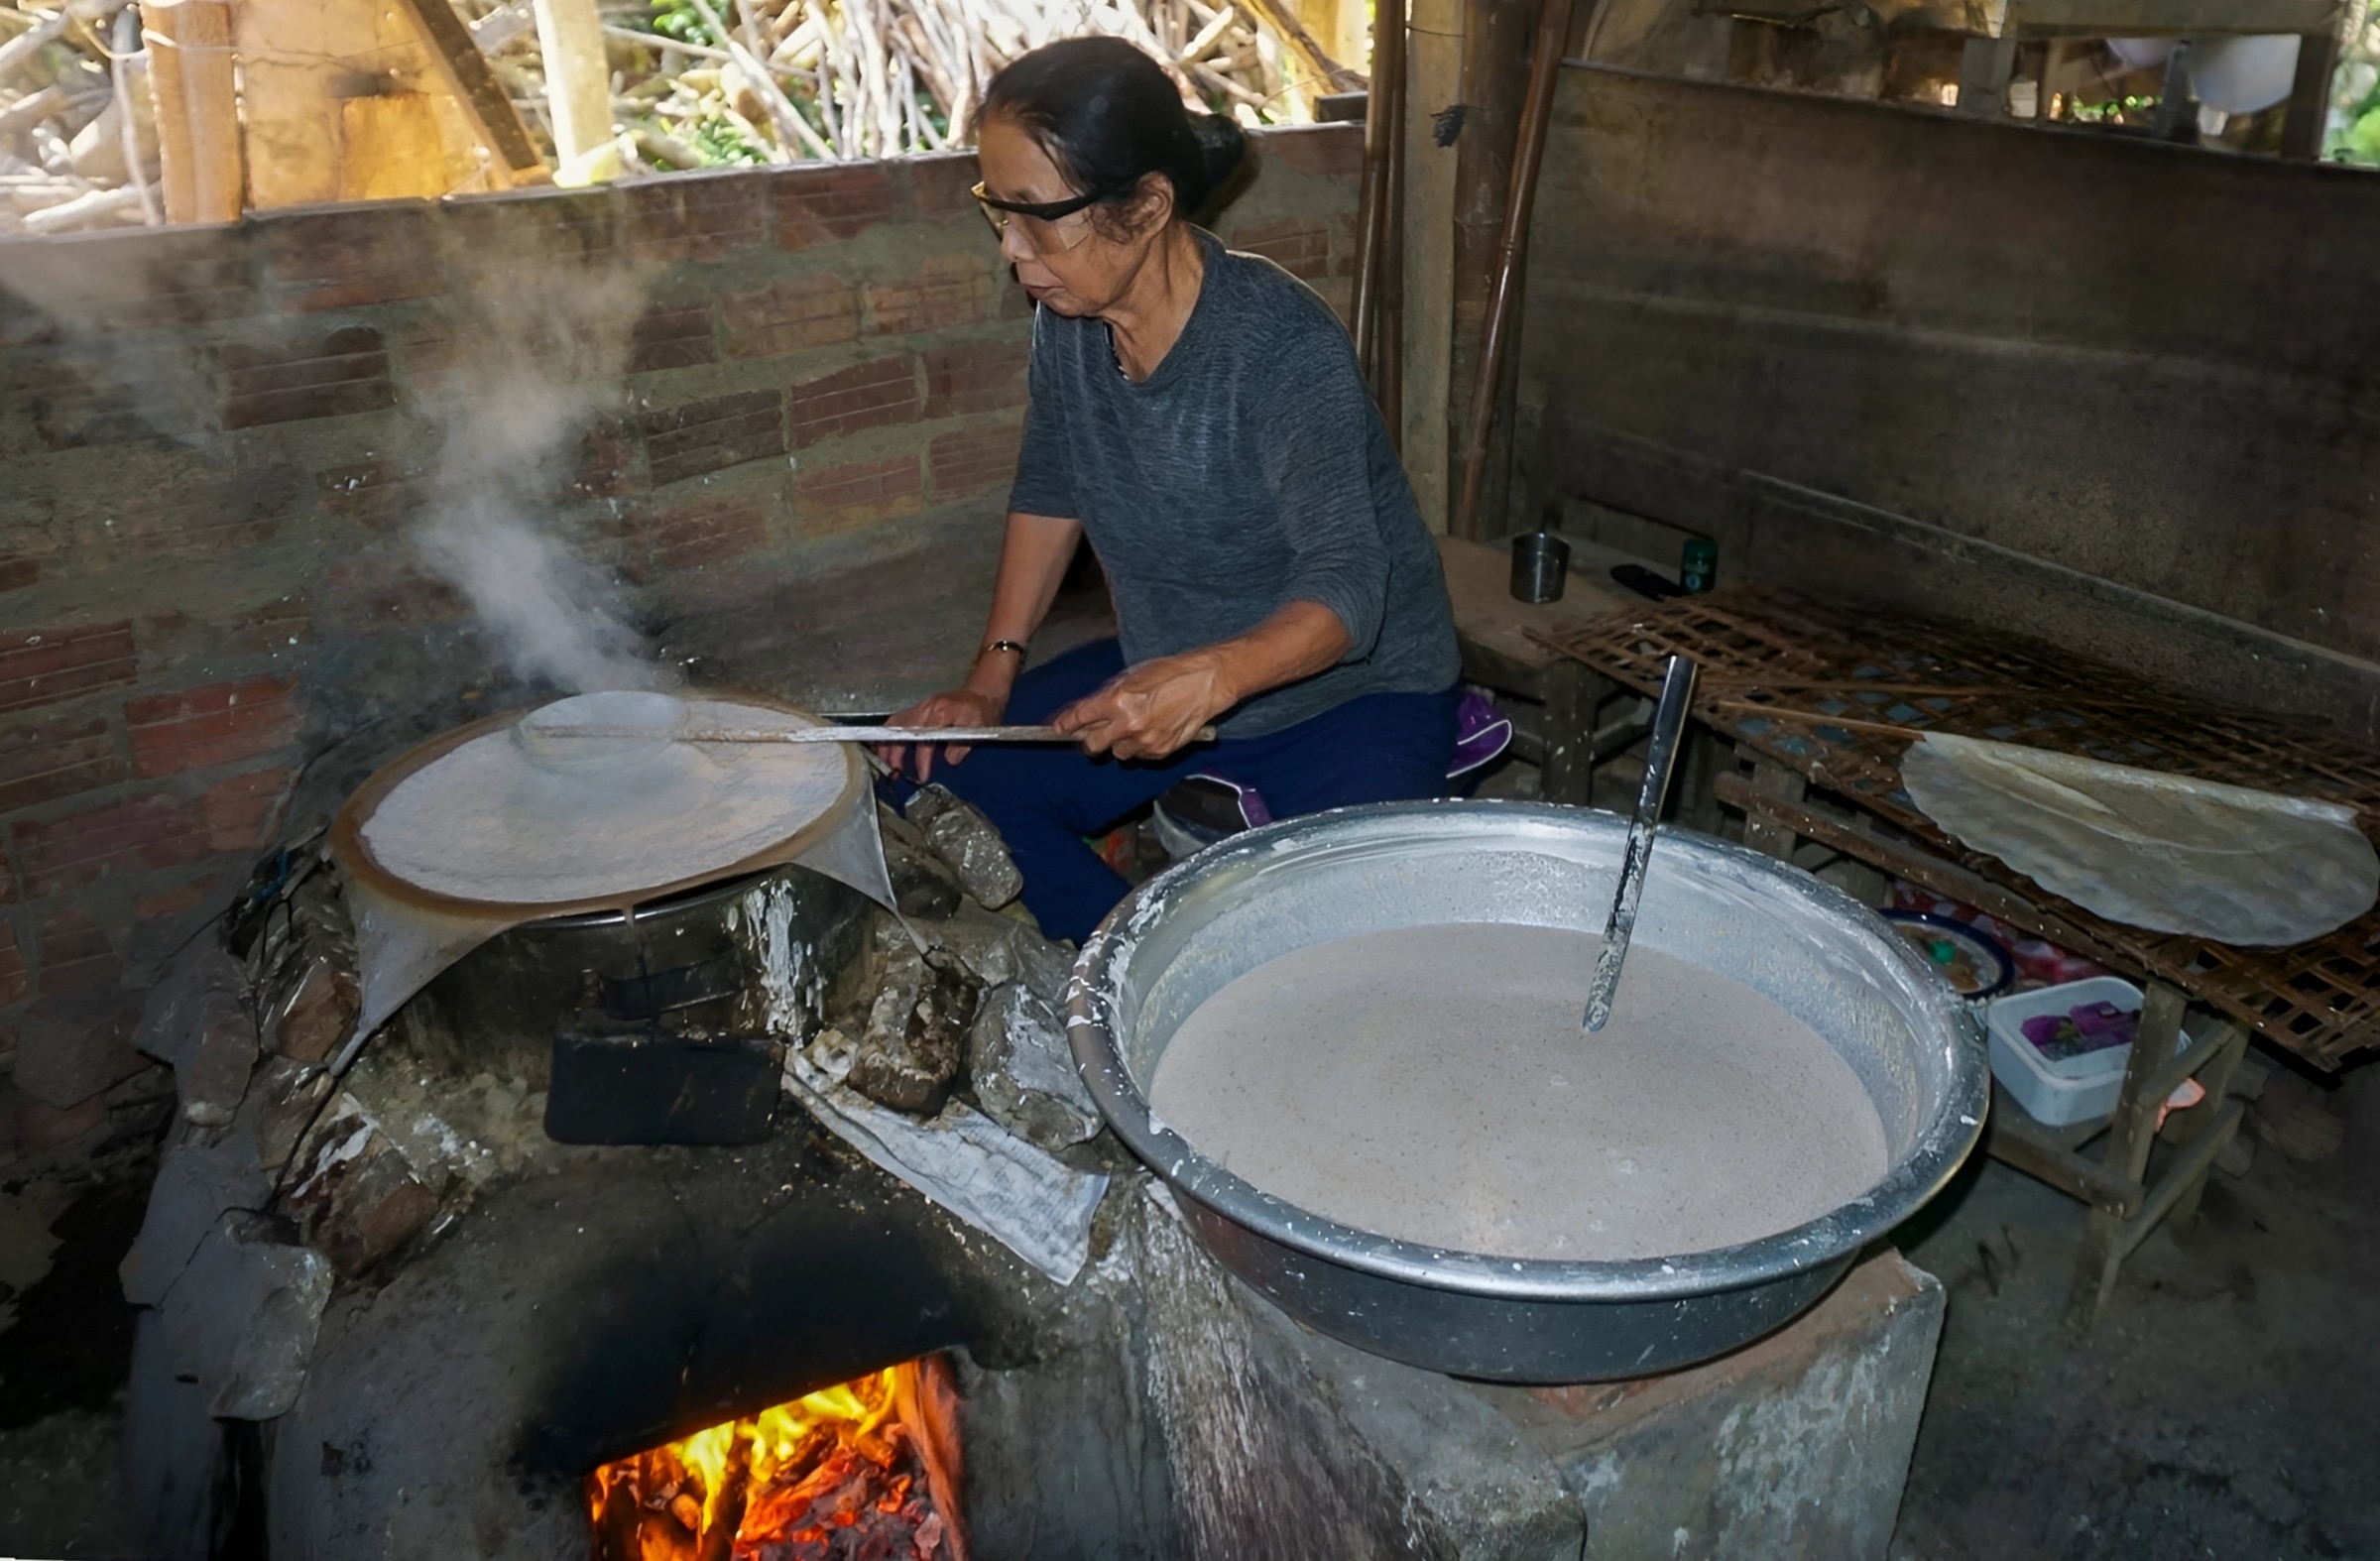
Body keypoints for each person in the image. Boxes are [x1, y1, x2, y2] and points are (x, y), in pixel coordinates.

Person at [883, 36, 1461, 944]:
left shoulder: (1275, 344)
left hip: (1348, 699)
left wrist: (1216, 675)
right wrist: (990, 675)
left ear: (1147, 205)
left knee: (1348, 942)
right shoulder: (1070, 316)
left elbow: (1351, 588)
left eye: (1037, 214)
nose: (1011, 248)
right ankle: (1137, 964)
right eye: (996, 208)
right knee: (921, 770)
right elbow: (1051, 480)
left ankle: (1206, 974)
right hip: (1167, 664)